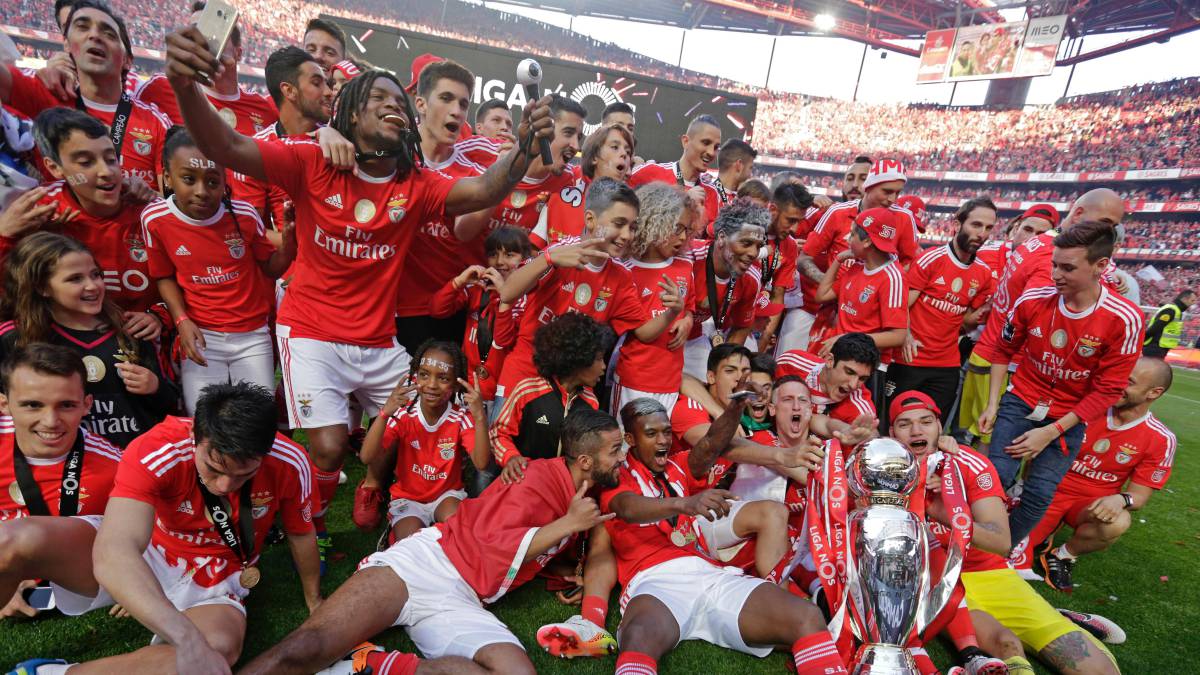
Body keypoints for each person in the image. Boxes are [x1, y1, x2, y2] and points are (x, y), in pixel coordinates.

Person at [163, 24, 556, 556]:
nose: (393, 106)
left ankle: (377, 487)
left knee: (419, 424)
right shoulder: (310, 162)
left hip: (378, 342)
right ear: (349, 114)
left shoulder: (416, 185)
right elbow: (227, 145)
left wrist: (524, 150)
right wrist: (185, 85)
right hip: (312, 330)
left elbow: (484, 188)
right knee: (326, 449)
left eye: (399, 100)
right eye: (378, 99)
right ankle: (318, 524)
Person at [241, 409, 624, 675]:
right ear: (586, 461)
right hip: (425, 563)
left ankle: (371, 665)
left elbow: (523, 547)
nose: (622, 458)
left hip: (463, 598)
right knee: (306, 648)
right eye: (615, 450)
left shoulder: (576, 493)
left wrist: (561, 564)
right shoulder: (538, 480)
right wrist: (568, 525)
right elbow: (492, 544)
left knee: (515, 669)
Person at [13, 382, 321, 674]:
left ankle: (55, 671)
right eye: (213, 469)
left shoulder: (290, 460)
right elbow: (114, 551)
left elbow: (300, 532)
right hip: (149, 550)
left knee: (214, 654)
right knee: (13, 539)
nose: (225, 484)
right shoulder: (157, 447)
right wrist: (185, 636)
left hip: (220, 574)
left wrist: (314, 600)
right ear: (195, 436)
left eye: (245, 474)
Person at [601, 399, 847, 675]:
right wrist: (685, 504)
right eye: (651, 433)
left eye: (667, 432)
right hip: (655, 581)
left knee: (807, 617)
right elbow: (627, 508)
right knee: (639, 637)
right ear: (630, 439)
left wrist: (736, 406)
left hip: (711, 575)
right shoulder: (615, 476)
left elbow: (711, 443)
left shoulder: (678, 464)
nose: (663, 441)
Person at [979, 221, 1145, 548]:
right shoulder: (1034, 299)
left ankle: (1003, 549)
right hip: (1022, 400)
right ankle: (977, 545)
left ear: (1100, 266)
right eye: (1054, 264)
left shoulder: (1125, 318)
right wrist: (993, 404)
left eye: (1067, 268)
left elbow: (1109, 391)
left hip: (1070, 416)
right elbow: (1003, 350)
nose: (1055, 274)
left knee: (1040, 493)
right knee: (997, 477)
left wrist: (1051, 431)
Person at [889, 390, 1048, 675]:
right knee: (1006, 643)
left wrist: (951, 516)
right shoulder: (882, 465)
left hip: (983, 571)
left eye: (925, 421)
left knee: (1087, 663)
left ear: (940, 426)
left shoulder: (968, 462)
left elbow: (1001, 541)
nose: (916, 430)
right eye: (904, 424)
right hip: (926, 577)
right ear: (891, 433)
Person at [142, 127, 295, 414]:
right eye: (189, 179)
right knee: (202, 418)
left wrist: (289, 244)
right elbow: (163, 275)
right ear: (167, 177)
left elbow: (271, 268)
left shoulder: (245, 216)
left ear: (225, 182)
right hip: (201, 336)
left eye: (212, 181)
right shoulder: (155, 219)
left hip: (251, 336)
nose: (201, 191)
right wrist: (182, 321)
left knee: (256, 417)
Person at [496, 178, 682, 400]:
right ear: (591, 220)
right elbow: (507, 294)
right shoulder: (559, 253)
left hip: (573, 386)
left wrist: (672, 311)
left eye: (632, 227)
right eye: (619, 224)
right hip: (525, 375)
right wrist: (548, 258)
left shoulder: (621, 277)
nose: (626, 235)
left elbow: (643, 332)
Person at [0, 232, 175, 448]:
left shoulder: (131, 330)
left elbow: (171, 405)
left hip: (135, 461)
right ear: (42, 287)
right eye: (75, 279)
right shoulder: (15, 340)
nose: (92, 286)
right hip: (65, 466)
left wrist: (155, 387)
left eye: (96, 275)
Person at [1025, 357, 1176, 592]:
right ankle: (1043, 530)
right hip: (1046, 492)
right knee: (1001, 550)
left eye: (1128, 381)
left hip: (1088, 505)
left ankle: (1063, 555)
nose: (1116, 384)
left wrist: (1121, 499)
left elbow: (1139, 496)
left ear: (1153, 393)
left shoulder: (1161, 438)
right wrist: (1025, 488)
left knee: (1118, 522)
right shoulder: (1083, 410)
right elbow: (1038, 453)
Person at [1, 108, 161, 323]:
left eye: (111, 159)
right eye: (86, 162)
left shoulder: (149, 208)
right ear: (55, 167)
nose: (106, 171)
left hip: (146, 341)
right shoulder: (38, 211)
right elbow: (13, 296)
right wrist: (4, 236)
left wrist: (160, 316)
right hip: (64, 346)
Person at [0, 344, 122, 620]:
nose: (51, 421)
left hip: (75, 580)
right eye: (33, 405)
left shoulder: (115, 468)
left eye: (66, 405)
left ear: (86, 405)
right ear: (4, 404)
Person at [0, 0, 171, 190]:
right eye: (82, 27)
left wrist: (149, 197)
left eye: (109, 33)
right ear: (66, 44)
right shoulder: (47, 95)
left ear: (126, 60)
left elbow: (171, 201)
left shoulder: (155, 122)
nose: (95, 35)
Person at [395, 59, 496, 355]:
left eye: (463, 104)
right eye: (446, 98)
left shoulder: (474, 176)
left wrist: (503, 177)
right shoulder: (389, 157)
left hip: (443, 314)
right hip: (381, 306)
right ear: (421, 104)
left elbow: (464, 232)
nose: (457, 111)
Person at [353, 340, 491, 544]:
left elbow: (481, 463)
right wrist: (384, 414)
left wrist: (480, 418)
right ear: (414, 376)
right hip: (408, 498)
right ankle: (396, 535)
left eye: (443, 378)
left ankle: (440, 534)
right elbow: (366, 457)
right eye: (424, 374)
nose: (432, 385)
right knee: (410, 544)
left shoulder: (461, 418)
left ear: (455, 384)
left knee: (459, 533)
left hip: (446, 496)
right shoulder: (403, 414)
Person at [888, 198, 997, 421]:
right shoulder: (931, 259)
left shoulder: (984, 274)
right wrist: (905, 335)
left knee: (934, 431)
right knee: (896, 426)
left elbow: (966, 322)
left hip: (947, 365)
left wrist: (981, 316)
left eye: (988, 228)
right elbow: (900, 306)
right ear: (958, 224)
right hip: (910, 359)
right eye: (976, 225)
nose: (982, 233)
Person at [959, 204, 1059, 446]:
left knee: (987, 433)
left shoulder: (1045, 264)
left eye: (1040, 235)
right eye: (1027, 229)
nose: (1031, 238)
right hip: (977, 351)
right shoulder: (986, 254)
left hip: (1006, 361)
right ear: (1015, 227)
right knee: (972, 430)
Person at [813, 207, 908, 427]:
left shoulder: (892, 277)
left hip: (865, 372)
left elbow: (898, 335)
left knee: (858, 431)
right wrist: (838, 260)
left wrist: (847, 340)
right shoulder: (856, 267)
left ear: (866, 242)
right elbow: (822, 295)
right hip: (837, 364)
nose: (848, 238)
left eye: (853, 233)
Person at [610, 182, 696, 414]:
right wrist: (671, 313)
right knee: (627, 446)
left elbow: (689, 307)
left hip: (671, 380)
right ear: (654, 222)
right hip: (634, 380)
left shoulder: (685, 265)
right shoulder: (625, 271)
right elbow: (643, 333)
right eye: (677, 228)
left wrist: (687, 319)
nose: (683, 237)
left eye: (687, 230)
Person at [491, 313, 608, 483]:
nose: (604, 367)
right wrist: (511, 458)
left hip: (561, 491)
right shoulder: (528, 391)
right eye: (598, 359)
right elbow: (498, 433)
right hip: (522, 484)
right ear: (578, 360)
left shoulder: (591, 403)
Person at [131, 2, 278, 135]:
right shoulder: (159, 89)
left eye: (214, 31)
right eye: (195, 31)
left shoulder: (264, 110)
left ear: (238, 53)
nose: (202, 39)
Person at [234, 46, 334, 236]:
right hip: (291, 263)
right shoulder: (258, 151)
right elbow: (250, 232)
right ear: (289, 91)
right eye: (316, 83)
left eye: (327, 84)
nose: (329, 92)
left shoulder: (337, 141)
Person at [778, 154, 872, 354]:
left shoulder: (894, 225)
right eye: (849, 178)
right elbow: (783, 229)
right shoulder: (828, 212)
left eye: (863, 179)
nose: (854, 185)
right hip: (808, 310)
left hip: (854, 322)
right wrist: (832, 288)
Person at [429, 226, 532, 402]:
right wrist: (459, 281)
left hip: (504, 391)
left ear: (525, 259)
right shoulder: (478, 289)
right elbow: (437, 309)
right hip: (468, 387)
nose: (499, 262)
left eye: (509, 255)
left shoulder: (528, 297)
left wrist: (503, 296)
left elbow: (502, 340)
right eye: (493, 254)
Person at [680, 199, 766, 379]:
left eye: (758, 246)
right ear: (721, 238)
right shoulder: (688, 257)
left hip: (694, 339)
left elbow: (741, 327)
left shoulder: (751, 278)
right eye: (746, 243)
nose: (753, 253)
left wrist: (724, 366)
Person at [482, 95, 586, 232]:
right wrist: (500, 175)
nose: (576, 146)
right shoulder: (487, 154)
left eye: (579, 137)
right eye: (568, 133)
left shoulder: (569, 183)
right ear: (543, 128)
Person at [530, 123, 634, 249]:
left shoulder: (632, 211)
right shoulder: (561, 197)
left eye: (628, 152)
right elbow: (534, 250)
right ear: (594, 157)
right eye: (615, 147)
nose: (624, 154)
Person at [628, 114, 723, 227]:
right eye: (706, 143)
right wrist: (683, 200)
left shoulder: (712, 194)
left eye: (716, 147)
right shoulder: (649, 173)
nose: (711, 152)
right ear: (685, 141)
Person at [776, 332, 878, 434]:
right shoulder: (790, 364)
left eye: (863, 378)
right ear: (830, 360)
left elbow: (871, 437)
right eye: (849, 372)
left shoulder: (861, 410)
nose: (853, 385)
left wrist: (858, 435)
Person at [757, 183, 813, 356]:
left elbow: (777, 295)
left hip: (753, 322)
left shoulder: (789, 246)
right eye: (790, 220)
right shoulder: (748, 229)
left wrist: (764, 337)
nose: (795, 229)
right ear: (773, 209)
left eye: (799, 222)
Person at [1142, 289, 1194, 357]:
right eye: (1192, 300)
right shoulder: (1171, 310)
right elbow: (1154, 328)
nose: (1193, 303)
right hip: (1155, 347)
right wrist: (1142, 341)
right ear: (1184, 299)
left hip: (1160, 347)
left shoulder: (1176, 310)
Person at [713, 138, 757, 211]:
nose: (750, 175)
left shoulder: (740, 201)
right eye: (750, 168)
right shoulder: (707, 196)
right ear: (739, 165)